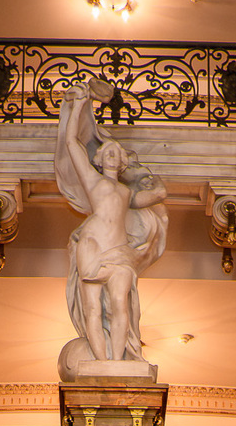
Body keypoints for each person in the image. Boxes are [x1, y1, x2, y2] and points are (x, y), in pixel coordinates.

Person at [54, 83, 167, 376]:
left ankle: (116, 362)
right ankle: (102, 363)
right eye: (108, 151)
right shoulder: (92, 181)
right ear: (98, 159)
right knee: (92, 307)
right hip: (92, 246)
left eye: (117, 152)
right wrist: (80, 105)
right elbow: (72, 144)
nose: (113, 154)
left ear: (123, 161)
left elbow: (159, 194)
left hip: (120, 253)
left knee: (121, 306)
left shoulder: (127, 193)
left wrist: (152, 183)